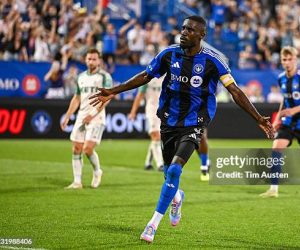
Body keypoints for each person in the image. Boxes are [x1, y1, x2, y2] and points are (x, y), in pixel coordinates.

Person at [89, 16, 274, 243]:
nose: (183, 32)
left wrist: (257, 118)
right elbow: (146, 76)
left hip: (195, 122)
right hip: (168, 121)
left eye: (190, 30)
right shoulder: (169, 54)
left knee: (175, 170)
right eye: (183, 28)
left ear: (201, 35)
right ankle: (177, 197)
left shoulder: (213, 61)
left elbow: (235, 91)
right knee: (169, 173)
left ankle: (152, 224)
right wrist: (114, 90)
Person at [260, 46, 300, 198]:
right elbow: (285, 98)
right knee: (276, 148)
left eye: (290, 59)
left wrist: (293, 111)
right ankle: (273, 189)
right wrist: (277, 119)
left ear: (295, 60)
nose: (287, 62)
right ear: (281, 61)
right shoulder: (281, 78)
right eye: (284, 60)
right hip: (289, 122)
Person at [61, 48, 112, 189]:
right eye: (89, 59)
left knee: (87, 149)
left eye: (94, 59)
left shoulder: (104, 77)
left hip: (97, 117)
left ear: (99, 60)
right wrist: (67, 116)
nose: (91, 61)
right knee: (76, 148)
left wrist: (93, 113)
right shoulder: (81, 77)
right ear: (85, 60)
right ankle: (77, 182)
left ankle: (97, 171)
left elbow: (107, 97)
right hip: (82, 116)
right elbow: (76, 98)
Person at [128, 75, 165, 171]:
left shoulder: (168, 76)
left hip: (164, 110)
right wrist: (133, 112)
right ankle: (160, 164)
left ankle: (148, 162)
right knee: (156, 135)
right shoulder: (147, 78)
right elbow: (139, 95)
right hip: (151, 110)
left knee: (158, 137)